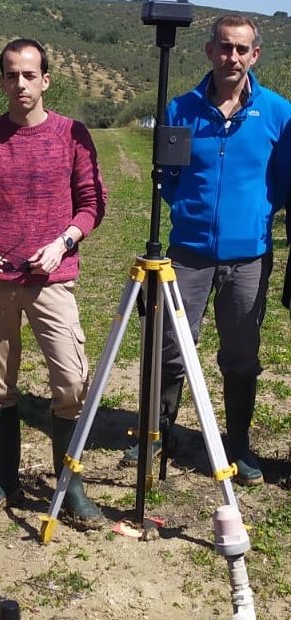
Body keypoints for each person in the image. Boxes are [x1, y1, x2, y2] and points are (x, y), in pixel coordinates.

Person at [125, 15, 291, 486]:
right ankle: (159, 435)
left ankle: (237, 443)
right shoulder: (180, 110)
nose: (232, 57)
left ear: (255, 55)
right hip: (189, 255)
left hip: (249, 259)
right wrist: (195, 215)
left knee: (241, 354)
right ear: (208, 51)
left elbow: (281, 183)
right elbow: (169, 180)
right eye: (224, 48)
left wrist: (251, 217)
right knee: (171, 348)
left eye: (241, 49)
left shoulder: (280, 114)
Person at [0, 38, 107, 525]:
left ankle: (70, 483)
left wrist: (64, 241)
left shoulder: (71, 134)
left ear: (45, 80)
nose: (20, 83)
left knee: (71, 381)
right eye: (11, 75)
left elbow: (92, 202)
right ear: (1, 81)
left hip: (51, 277)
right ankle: (4, 477)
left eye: (28, 74)